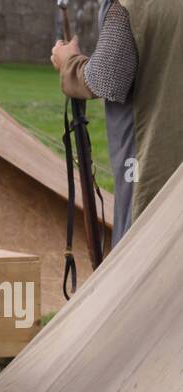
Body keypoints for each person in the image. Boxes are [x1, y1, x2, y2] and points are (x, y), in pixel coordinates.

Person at [53, 0, 183, 243]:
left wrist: (69, 63)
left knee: (144, 253)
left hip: (152, 163)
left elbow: (106, 80)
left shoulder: (131, 5)